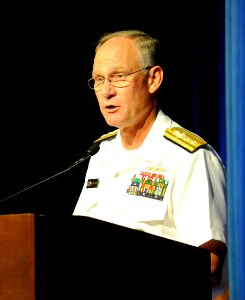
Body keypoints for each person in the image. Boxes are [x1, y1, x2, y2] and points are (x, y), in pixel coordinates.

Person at [72, 30, 228, 299]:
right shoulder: (100, 153)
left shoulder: (189, 157)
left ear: (153, 79)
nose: (107, 91)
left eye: (119, 77)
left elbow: (210, 264)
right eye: (99, 80)